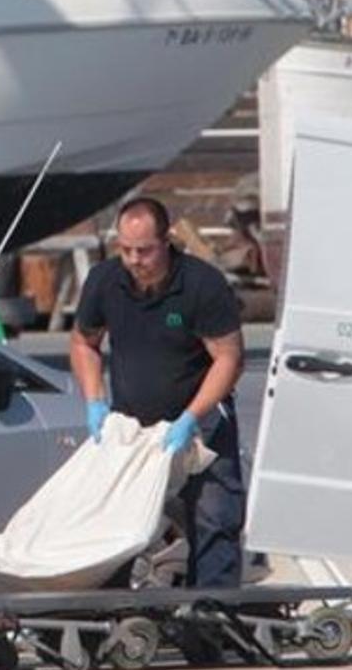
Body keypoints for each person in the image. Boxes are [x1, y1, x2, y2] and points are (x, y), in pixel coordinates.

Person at [70, 196, 245, 590]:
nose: (135, 259)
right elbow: (84, 342)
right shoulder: (104, 281)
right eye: (126, 249)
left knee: (213, 517)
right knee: (117, 522)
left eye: (145, 250)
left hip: (197, 424)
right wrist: (95, 399)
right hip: (133, 427)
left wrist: (190, 417)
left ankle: (213, 614)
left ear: (166, 241)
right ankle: (111, 613)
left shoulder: (201, 285)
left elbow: (228, 359)